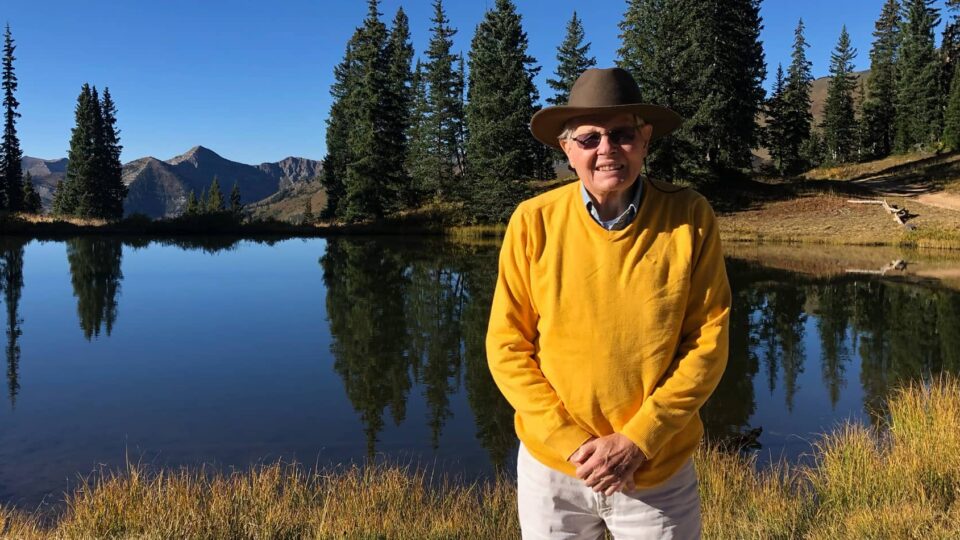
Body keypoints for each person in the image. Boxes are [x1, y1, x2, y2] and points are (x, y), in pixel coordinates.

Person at [486, 67, 731, 539]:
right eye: (589, 138)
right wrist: (572, 443)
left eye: (621, 135)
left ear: (644, 139)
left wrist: (639, 440)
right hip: (553, 474)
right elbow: (506, 347)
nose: (606, 150)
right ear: (567, 149)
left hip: (656, 472)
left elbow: (708, 342)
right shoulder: (532, 222)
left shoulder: (690, 216)